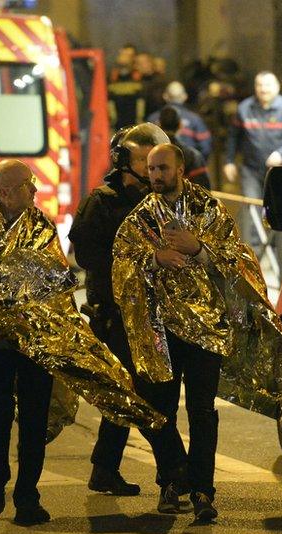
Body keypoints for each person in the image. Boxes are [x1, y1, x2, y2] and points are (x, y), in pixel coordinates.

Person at [0, 160, 164, 526]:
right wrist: (3, 292)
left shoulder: (40, 224)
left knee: (34, 419)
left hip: (39, 339)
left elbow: (56, 274)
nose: (35, 190)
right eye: (28, 185)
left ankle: (27, 496)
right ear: (5, 193)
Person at [114, 144, 282, 523]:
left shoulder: (209, 211)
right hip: (159, 330)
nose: (156, 175)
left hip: (206, 330)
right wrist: (154, 258)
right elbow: (121, 263)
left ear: (180, 168)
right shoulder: (141, 218)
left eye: (162, 168)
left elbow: (239, 260)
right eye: (151, 169)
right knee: (159, 410)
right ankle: (171, 481)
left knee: (202, 413)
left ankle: (202, 492)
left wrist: (199, 249)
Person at [69, 123, 190, 506]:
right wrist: (136, 262)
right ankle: (176, 475)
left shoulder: (156, 202)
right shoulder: (102, 203)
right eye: (144, 160)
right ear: (125, 162)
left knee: (126, 393)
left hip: (157, 314)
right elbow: (89, 257)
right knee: (147, 394)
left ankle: (104, 467)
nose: (153, 167)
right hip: (117, 315)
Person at [223, 71, 282, 248]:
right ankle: (254, 254)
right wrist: (229, 161)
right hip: (251, 169)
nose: (263, 89)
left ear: (276, 87)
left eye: (267, 85)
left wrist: (281, 153)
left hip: (279, 171)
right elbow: (233, 136)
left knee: (278, 211)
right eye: (259, 85)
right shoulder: (244, 108)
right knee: (252, 208)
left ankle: (279, 251)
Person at [146, 81, 213, 159]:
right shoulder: (195, 119)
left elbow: (145, 146)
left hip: (159, 165)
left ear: (165, 96)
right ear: (185, 96)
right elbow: (205, 147)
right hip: (187, 165)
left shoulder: (152, 119)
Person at [156, 106, 210, 189]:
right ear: (180, 125)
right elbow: (204, 190)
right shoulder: (193, 156)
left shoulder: (148, 154)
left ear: (158, 125)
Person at [108, 44, 144, 129]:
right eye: (123, 54)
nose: (124, 58)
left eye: (128, 55)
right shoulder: (112, 76)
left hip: (136, 125)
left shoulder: (139, 76)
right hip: (117, 125)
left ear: (134, 58)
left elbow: (142, 100)